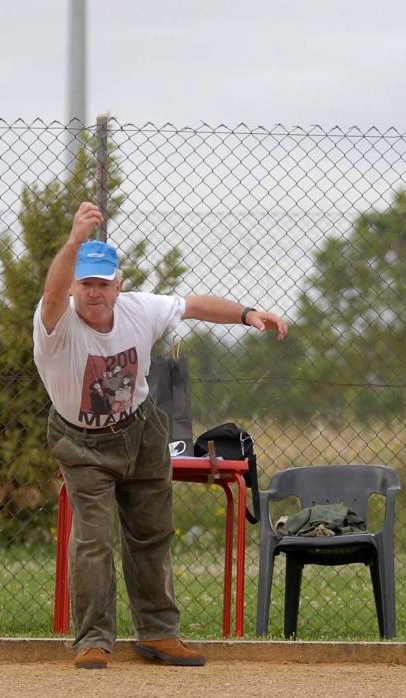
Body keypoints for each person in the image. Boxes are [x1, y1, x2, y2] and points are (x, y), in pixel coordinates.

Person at [34, 201, 288, 669]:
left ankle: (158, 633)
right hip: (81, 442)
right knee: (95, 539)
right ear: (73, 286)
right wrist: (74, 241)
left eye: (103, 283)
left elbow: (192, 305)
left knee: (152, 533)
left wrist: (248, 314)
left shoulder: (138, 309)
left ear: (119, 285)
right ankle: (94, 639)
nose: (94, 293)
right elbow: (51, 294)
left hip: (142, 430)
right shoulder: (56, 323)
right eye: (85, 283)